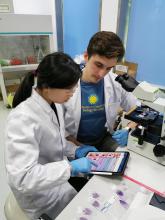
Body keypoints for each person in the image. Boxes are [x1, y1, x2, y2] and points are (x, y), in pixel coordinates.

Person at [5, 52, 98, 220]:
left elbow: (56, 142)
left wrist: (76, 151)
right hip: (40, 197)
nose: (72, 93)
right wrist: (71, 167)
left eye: (74, 87)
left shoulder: (55, 104)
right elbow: (22, 178)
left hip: (58, 182)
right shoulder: (22, 118)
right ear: (47, 86)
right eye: (69, 89)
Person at [62, 31, 139, 152]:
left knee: (127, 161)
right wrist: (78, 148)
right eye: (98, 65)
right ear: (86, 56)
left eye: (108, 68)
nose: (102, 74)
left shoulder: (115, 82)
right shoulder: (65, 83)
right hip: (72, 144)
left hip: (104, 140)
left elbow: (139, 109)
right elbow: (56, 127)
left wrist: (128, 130)